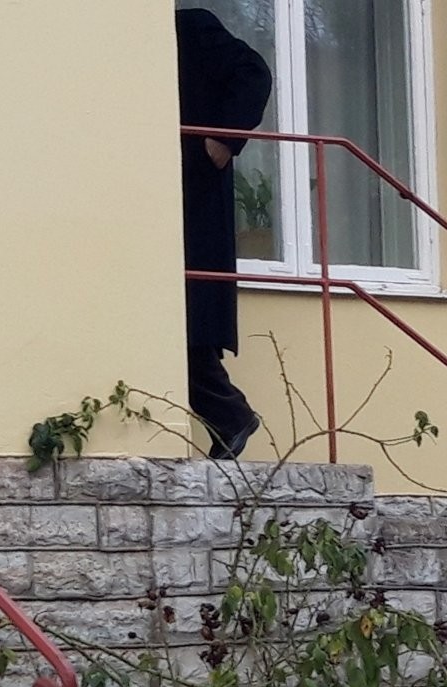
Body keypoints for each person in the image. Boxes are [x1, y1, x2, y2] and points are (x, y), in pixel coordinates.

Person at [175, 8, 272, 459]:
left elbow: (254, 73)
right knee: (177, 319)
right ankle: (230, 418)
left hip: (193, 198)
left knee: (185, 320)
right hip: (164, 202)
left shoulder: (189, 27)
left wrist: (224, 137)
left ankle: (231, 416)